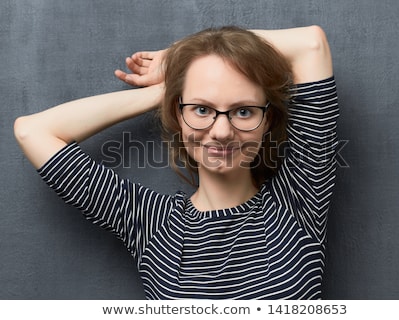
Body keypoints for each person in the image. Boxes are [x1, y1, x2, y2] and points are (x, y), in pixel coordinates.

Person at [14, 25, 339, 299]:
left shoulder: (299, 199)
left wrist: (182, 54)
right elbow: (33, 130)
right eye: (201, 109)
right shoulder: (150, 222)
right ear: (177, 115)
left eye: (244, 111)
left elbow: (311, 43)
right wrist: (163, 92)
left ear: (266, 121)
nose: (222, 132)